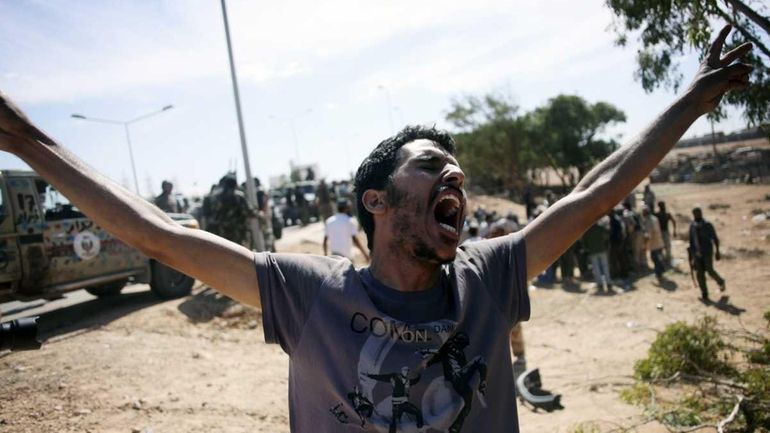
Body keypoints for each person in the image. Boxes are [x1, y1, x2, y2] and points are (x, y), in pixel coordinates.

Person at [0, 25, 750, 433]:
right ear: (378, 201)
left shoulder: (489, 273)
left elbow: (595, 190)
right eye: (432, 165)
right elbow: (159, 235)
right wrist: (26, 139)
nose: (455, 175)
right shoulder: (302, 292)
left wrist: (691, 100)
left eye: (458, 167)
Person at [689, 207, 726, 301]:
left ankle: (720, 281)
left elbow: (715, 239)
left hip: (707, 252)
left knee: (710, 270)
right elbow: (691, 241)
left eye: (699, 213)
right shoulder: (692, 226)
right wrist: (692, 256)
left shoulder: (707, 225)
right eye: (695, 213)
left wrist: (717, 251)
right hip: (697, 254)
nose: (697, 214)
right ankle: (704, 293)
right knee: (700, 274)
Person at [582, 217, 611, 292]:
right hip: (602, 249)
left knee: (596, 268)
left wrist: (586, 248)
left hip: (593, 250)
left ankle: (600, 283)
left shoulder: (587, 231)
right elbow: (607, 236)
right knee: (605, 266)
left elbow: (584, 241)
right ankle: (608, 282)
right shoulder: (600, 228)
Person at [641, 205, 666, 282]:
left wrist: (644, 245)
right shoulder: (654, 218)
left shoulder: (649, 221)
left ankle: (659, 276)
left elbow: (648, 235)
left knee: (655, 260)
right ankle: (661, 273)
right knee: (659, 259)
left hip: (654, 244)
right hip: (659, 242)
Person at [655, 201, 677, 266]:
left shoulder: (667, 214)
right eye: (661, 205)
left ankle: (668, 260)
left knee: (667, 247)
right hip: (660, 233)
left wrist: (674, 231)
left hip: (665, 232)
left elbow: (674, 221)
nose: (663, 207)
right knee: (661, 247)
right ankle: (664, 261)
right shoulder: (658, 215)